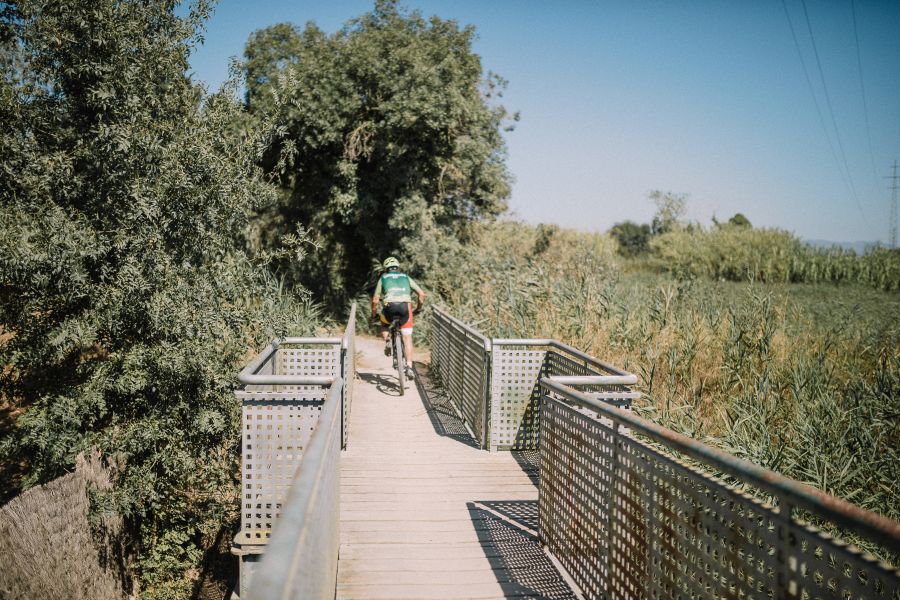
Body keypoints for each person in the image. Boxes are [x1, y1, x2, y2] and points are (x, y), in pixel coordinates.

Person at [371, 257, 425, 379]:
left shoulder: (383, 278)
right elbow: (421, 294)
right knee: (407, 339)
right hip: (405, 307)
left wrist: (374, 314)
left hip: (389, 307)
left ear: (386, 268)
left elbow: (375, 299)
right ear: (398, 267)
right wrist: (418, 308)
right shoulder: (406, 277)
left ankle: (388, 341)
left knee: (384, 324)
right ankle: (409, 367)